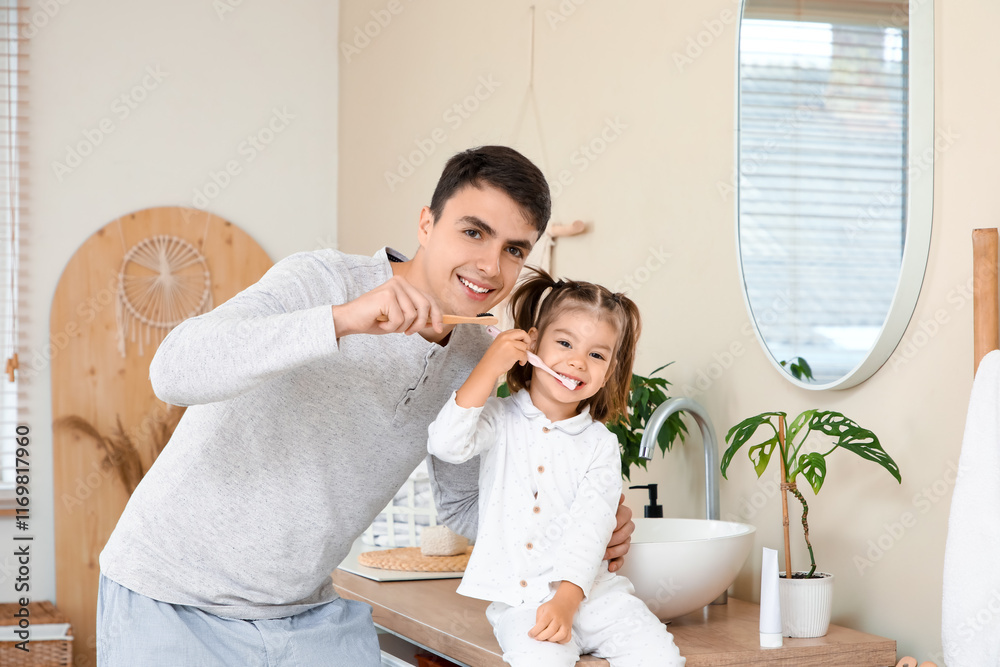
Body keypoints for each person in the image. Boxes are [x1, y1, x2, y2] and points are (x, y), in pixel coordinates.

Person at [96, 146, 635, 666]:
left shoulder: (478, 355)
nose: (491, 266)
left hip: (304, 615)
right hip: (168, 597)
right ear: (426, 224)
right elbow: (173, 370)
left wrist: (576, 521)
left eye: (514, 249)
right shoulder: (322, 281)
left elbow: (467, 506)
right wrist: (343, 319)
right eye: (473, 232)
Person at [427, 269, 686, 667]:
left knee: (660, 657)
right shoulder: (497, 419)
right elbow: (446, 443)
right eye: (564, 342)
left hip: (598, 596)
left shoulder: (601, 444)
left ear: (611, 371)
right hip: (522, 600)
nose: (577, 362)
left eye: (597, 355)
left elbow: (591, 527)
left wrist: (567, 600)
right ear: (532, 345)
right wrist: (488, 368)